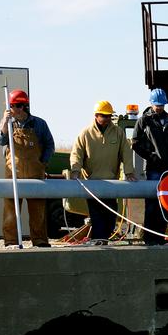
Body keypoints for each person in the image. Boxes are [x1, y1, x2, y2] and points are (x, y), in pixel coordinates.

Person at [0, 89, 55, 248]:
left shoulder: (39, 124)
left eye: (20, 105)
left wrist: (43, 162)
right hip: (13, 174)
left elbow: (49, 144)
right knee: (10, 213)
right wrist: (4, 123)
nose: (17, 109)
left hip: (35, 175)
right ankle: (11, 242)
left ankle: (40, 241)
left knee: (38, 213)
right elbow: (0, 141)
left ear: (25, 106)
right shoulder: (8, 124)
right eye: (14, 105)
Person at [67, 100, 135, 244]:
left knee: (111, 215)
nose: (107, 119)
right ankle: (99, 241)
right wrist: (75, 170)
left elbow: (126, 152)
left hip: (111, 183)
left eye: (109, 116)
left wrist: (129, 172)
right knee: (97, 215)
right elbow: (76, 153)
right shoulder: (85, 133)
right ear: (96, 115)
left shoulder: (118, 133)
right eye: (104, 116)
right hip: (92, 184)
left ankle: (103, 238)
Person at [131, 88, 168, 245]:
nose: (160, 107)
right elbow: (135, 142)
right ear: (151, 104)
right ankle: (149, 238)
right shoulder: (144, 120)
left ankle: (160, 237)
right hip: (155, 168)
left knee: (167, 203)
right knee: (152, 204)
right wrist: (150, 156)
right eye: (157, 105)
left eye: (162, 105)